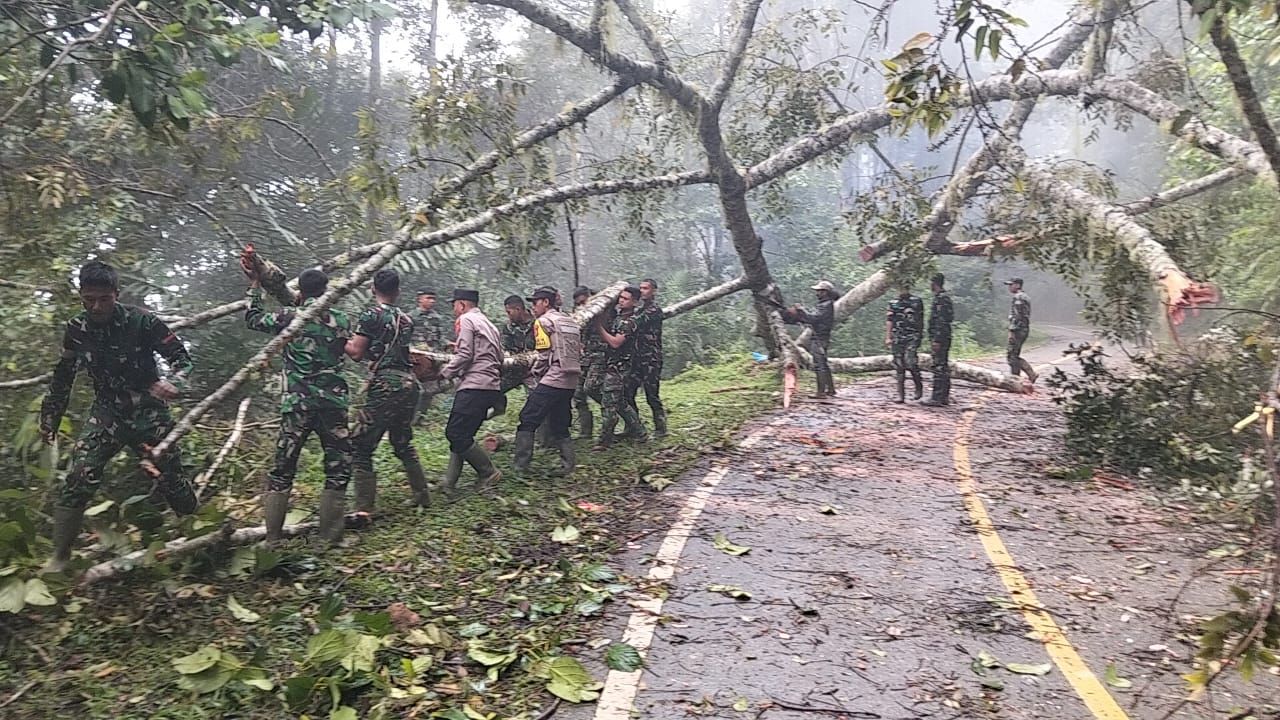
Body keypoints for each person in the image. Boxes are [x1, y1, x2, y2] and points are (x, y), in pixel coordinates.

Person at [38, 261, 199, 573]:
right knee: (79, 475)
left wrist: (175, 383)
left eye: (104, 299)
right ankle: (59, 558)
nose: (97, 307)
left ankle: (197, 535)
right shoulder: (76, 329)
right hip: (107, 413)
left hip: (149, 411)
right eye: (89, 300)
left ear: (117, 294)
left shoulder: (143, 321)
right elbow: (63, 376)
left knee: (172, 477)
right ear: (81, 296)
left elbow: (182, 359)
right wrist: (50, 418)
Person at [244, 266, 353, 545]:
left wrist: (255, 286)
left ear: (300, 292)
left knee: (283, 469)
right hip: (332, 403)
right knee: (337, 467)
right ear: (326, 290)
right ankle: (331, 538)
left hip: (298, 404)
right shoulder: (341, 320)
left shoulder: (289, 317)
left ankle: (272, 540)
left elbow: (253, 319)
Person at [346, 269, 430, 512]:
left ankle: (363, 509)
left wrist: (339, 337)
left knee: (360, 445)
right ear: (398, 291)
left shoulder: (370, 316)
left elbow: (356, 353)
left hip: (386, 385)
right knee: (402, 441)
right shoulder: (407, 320)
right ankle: (422, 495)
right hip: (409, 384)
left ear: (373, 289)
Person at [437, 288, 505, 497]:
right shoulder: (489, 324)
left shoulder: (466, 319)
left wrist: (445, 373)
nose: (454, 310)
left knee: (455, 433)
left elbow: (465, 353)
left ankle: (488, 472)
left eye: (454, 305)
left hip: (474, 385)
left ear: (462, 304)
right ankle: (449, 482)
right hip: (490, 386)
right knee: (463, 435)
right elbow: (500, 357)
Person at [513, 286, 582, 477]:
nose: (533, 307)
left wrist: (535, 372)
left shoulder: (542, 322)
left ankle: (520, 467)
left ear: (545, 302)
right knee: (560, 421)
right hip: (571, 379)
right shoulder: (569, 320)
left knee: (528, 417)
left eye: (536, 302)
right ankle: (568, 465)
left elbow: (543, 355)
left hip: (554, 378)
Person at [595, 286, 648, 448]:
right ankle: (640, 432)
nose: (621, 301)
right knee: (619, 402)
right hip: (612, 365)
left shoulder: (631, 321)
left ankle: (605, 440)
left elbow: (616, 342)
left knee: (609, 404)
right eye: (621, 297)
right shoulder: (619, 317)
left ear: (635, 302)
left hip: (620, 368)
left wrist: (598, 328)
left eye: (625, 299)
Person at [628, 278, 668, 436]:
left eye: (645, 288)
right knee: (628, 392)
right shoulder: (639, 310)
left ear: (654, 291)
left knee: (652, 394)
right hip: (636, 358)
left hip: (651, 358)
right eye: (641, 288)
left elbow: (634, 323)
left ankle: (661, 428)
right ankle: (633, 427)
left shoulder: (654, 310)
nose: (642, 291)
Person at [785, 280, 837, 398]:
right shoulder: (825, 304)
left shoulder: (825, 305)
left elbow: (813, 319)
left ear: (825, 292)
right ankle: (831, 390)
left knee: (819, 365)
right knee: (823, 363)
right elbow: (811, 319)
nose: (816, 293)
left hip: (819, 338)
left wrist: (801, 310)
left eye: (819, 291)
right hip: (821, 337)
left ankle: (821, 392)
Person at [572, 286, 606, 439]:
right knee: (578, 394)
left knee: (591, 388)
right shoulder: (580, 313)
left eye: (583, 301)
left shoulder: (601, 308)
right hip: (584, 356)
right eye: (578, 303)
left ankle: (614, 408)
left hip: (600, 355)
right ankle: (586, 431)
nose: (581, 305)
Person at [885, 284, 925, 403]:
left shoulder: (916, 301)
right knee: (899, 365)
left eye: (904, 288)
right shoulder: (893, 303)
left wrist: (919, 335)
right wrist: (888, 337)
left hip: (912, 336)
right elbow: (889, 321)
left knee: (911, 362)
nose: (902, 290)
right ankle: (901, 395)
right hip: (897, 336)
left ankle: (918, 386)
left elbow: (920, 319)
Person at [921, 273, 954, 407]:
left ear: (934, 283)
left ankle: (937, 397)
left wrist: (937, 339)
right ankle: (944, 396)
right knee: (943, 366)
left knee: (939, 366)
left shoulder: (941, 299)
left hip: (941, 337)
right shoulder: (944, 298)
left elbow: (941, 321)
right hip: (945, 336)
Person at [1004, 277, 1038, 384]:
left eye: (1011, 284)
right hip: (1023, 328)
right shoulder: (1024, 296)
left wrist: (1012, 330)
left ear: (1018, 285)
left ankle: (1030, 374)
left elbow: (1018, 316)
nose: (1009, 287)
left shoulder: (1019, 297)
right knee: (1014, 355)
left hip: (1018, 329)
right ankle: (1015, 379)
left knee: (1012, 357)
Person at [500, 294, 536, 393]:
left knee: (537, 396)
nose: (508, 316)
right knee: (494, 388)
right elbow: (506, 348)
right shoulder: (509, 327)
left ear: (518, 309)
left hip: (536, 369)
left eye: (509, 312)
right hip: (515, 367)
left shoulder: (538, 322)